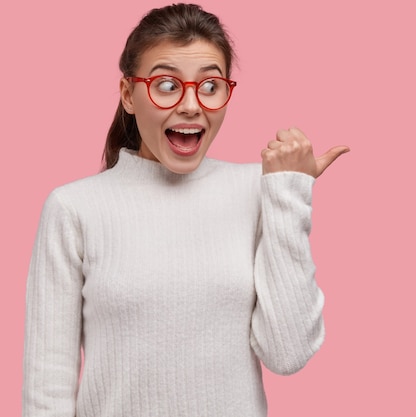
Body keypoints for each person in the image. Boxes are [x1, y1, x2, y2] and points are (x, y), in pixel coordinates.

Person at [22, 3, 349, 416]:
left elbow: (287, 353)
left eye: (210, 86)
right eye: (166, 85)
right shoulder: (74, 209)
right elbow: (46, 386)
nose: (192, 106)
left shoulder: (258, 191)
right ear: (128, 94)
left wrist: (288, 192)